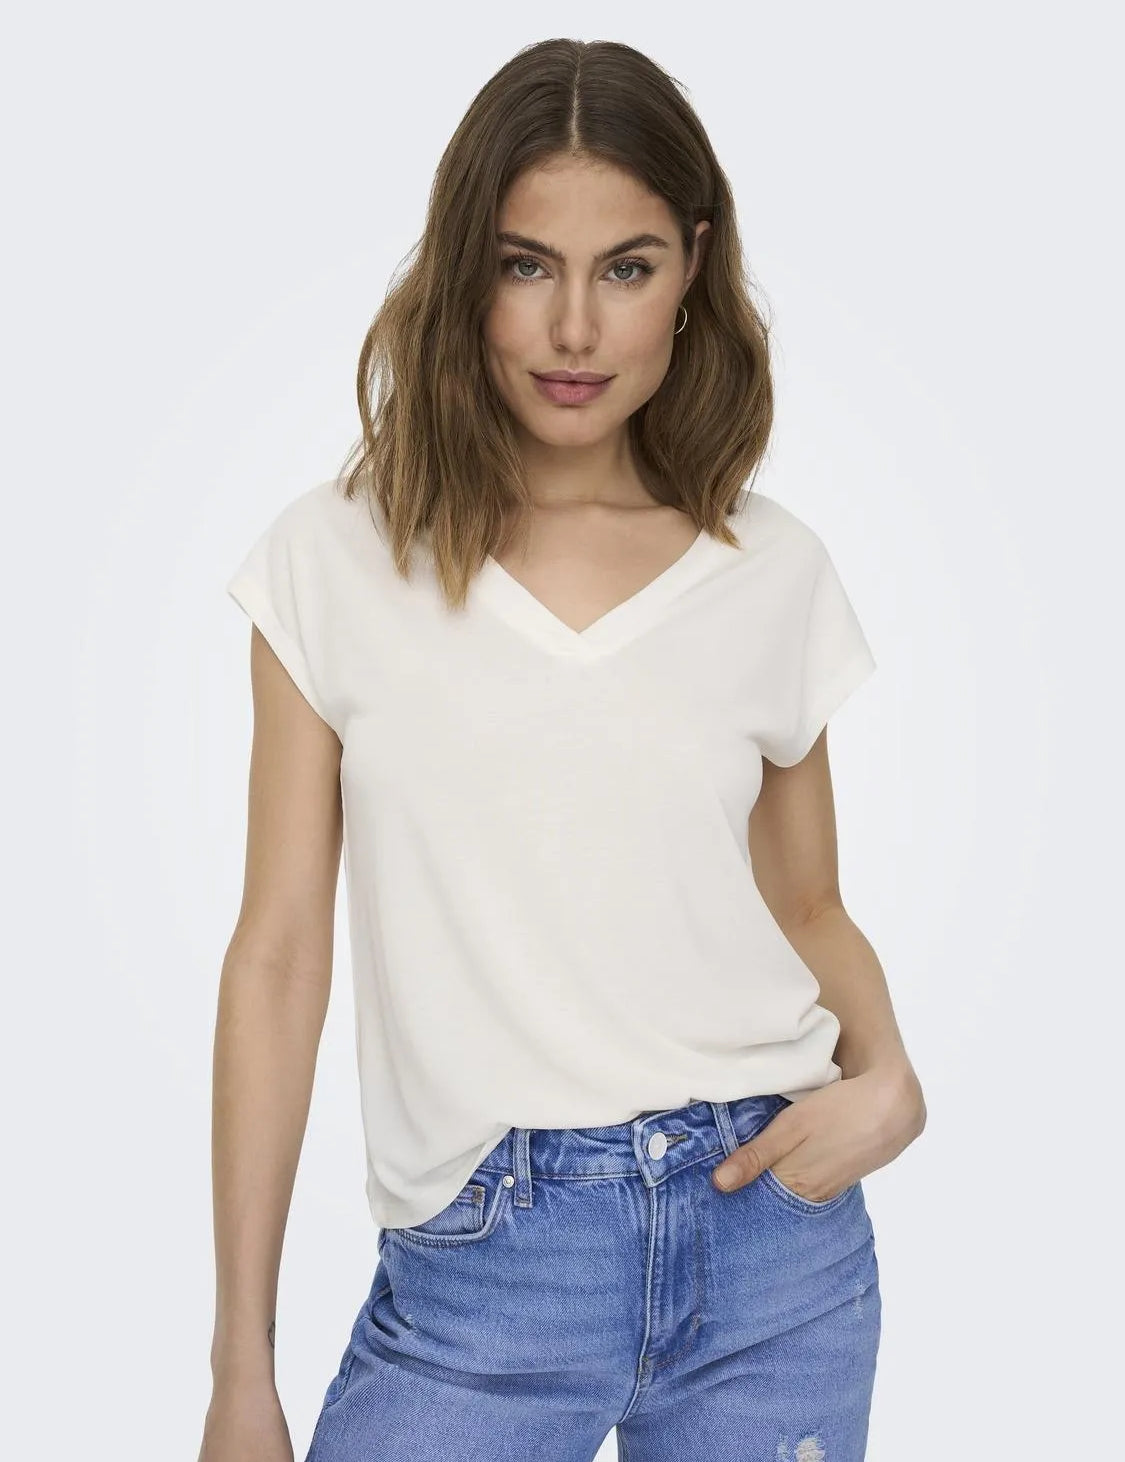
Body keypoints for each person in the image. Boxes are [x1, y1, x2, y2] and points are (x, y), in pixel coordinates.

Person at [199, 36, 926, 1462]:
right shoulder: (333, 562)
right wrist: (241, 1368)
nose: (575, 328)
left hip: (773, 1248)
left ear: (694, 267)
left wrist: (890, 1079)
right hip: (482, 1271)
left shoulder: (768, 570)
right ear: (462, 271)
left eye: (627, 268)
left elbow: (806, 905)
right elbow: (277, 957)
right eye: (526, 265)